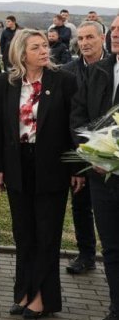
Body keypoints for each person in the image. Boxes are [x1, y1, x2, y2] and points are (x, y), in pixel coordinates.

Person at [0, 29, 82, 318]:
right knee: (23, 234)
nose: (45, 51)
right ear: (21, 53)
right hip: (18, 165)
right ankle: (24, 293)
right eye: (36, 47)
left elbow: (75, 129)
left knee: (47, 234)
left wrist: (76, 168)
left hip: (52, 168)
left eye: (45, 46)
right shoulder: (6, 83)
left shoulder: (64, 81)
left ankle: (43, 297)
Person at [70, 14, 119, 320]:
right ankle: (117, 312)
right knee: (113, 247)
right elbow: (80, 114)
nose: (116, 34)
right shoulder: (99, 71)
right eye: (115, 28)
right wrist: (95, 155)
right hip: (104, 175)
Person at [61, 21, 107, 275]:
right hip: (78, 151)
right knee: (81, 206)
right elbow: (67, 117)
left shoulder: (113, 69)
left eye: (90, 37)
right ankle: (86, 254)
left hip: (111, 152)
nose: (85, 43)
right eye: (80, 38)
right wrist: (77, 162)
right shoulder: (68, 72)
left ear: (102, 39)